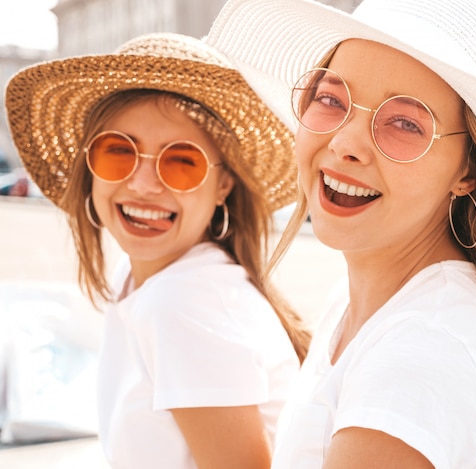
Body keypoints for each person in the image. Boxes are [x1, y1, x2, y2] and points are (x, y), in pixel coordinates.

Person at [205, 1, 476, 468]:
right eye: (331, 99)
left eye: (405, 123)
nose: (345, 143)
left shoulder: (420, 351)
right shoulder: (366, 302)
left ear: (468, 171)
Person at [5, 32, 310, 469]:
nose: (144, 185)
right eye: (117, 153)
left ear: (224, 184)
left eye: (182, 161)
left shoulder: (183, 303)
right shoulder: (153, 282)